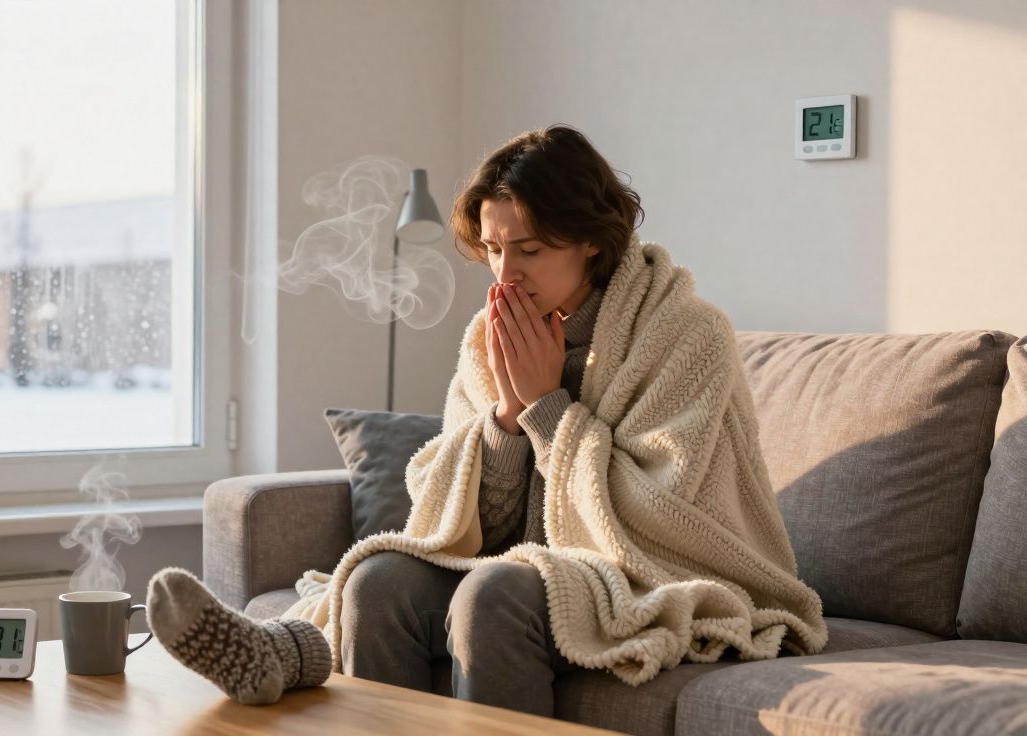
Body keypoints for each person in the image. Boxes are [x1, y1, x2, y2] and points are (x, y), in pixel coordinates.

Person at [146, 124, 826, 713]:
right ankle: (293, 652)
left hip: (647, 569)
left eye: (528, 250)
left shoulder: (685, 334)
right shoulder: (488, 335)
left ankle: (293, 651)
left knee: (493, 595)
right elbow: (478, 528)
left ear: (590, 238)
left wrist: (545, 407)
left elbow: (664, 515)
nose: (506, 274)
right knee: (382, 584)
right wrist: (503, 420)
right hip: (534, 567)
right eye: (494, 250)